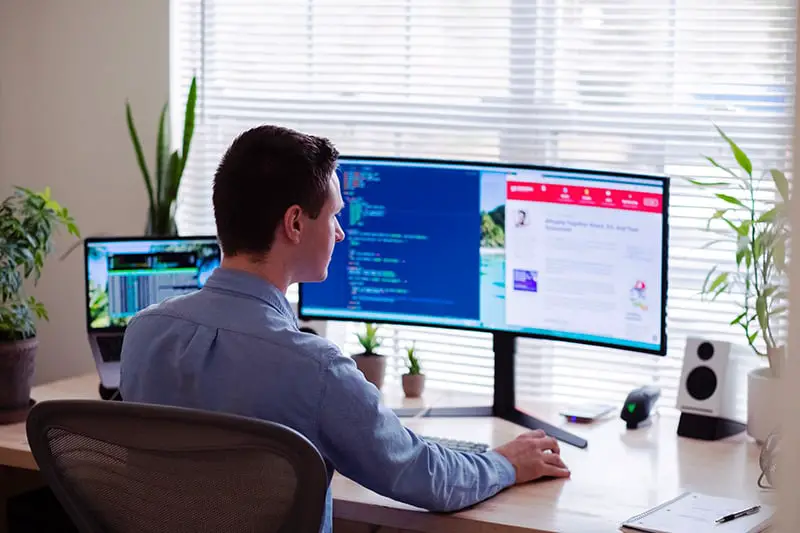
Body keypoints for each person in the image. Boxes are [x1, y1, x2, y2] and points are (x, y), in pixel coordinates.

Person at [119, 125, 570, 532]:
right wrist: (506, 463)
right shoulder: (314, 368)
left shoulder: (143, 333)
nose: (340, 234)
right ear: (295, 223)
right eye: (333, 216)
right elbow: (423, 475)